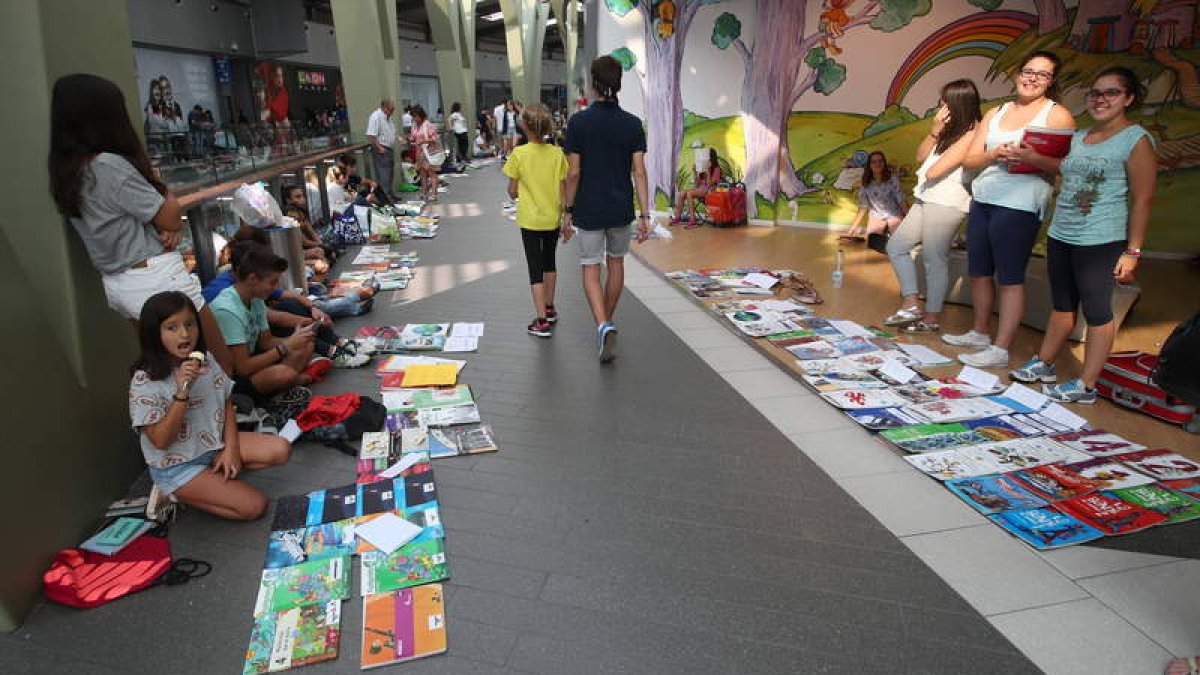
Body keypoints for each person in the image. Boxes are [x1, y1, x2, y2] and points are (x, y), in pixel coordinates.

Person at [49, 73, 233, 375]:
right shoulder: (107, 165)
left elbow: (126, 223)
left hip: (122, 285)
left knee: (174, 372)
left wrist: (161, 230)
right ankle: (230, 420)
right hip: (156, 278)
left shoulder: (68, 171)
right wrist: (157, 182)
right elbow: (171, 215)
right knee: (217, 367)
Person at [1008, 67, 1156, 403]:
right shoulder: (1080, 137)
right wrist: (1032, 157)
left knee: (1098, 311)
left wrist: (1132, 252)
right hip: (1063, 233)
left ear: (1128, 98)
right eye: (1095, 92)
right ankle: (1045, 363)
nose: (1100, 99)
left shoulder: (1136, 139)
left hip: (1101, 239)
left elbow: (1144, 199)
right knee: (1061, 304)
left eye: (1111, 93)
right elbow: (1065, 168)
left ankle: (1087, 385)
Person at [944, 51, 1077, 367]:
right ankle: (979, 332)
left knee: (1010, 277)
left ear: (1051, 82)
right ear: (1018, 73)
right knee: (978, 272)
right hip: (984, 199)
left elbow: (1068, 166)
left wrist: (1032, 159)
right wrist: (995, 154)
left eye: (1042, 74)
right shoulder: (995, 112)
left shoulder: (1057, 116)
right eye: (1028, 70)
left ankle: (1001, 349)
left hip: (1020, 204)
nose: (1032, 78)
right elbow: (971, 160)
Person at [130, 291, 290, 521]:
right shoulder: (145, 381)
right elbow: (161, 441)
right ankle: (176, 493)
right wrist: (183, 390)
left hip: (212, 444)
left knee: (280, 450)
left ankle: (211, 481)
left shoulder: (205, 359)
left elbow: (226, 401)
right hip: (179, 464)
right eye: (171, 328)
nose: (185, 334)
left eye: (189, 324)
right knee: (254, 507)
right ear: (155, 334)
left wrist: (231, 449)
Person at [563, 55, 651, 363]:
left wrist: (567, 209)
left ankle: (602, 324)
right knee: (616, 265)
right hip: (620, 208)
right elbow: (639, 171)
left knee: (590, 268)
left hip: (589, 208)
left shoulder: (578, 123)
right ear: (619, 83)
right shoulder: (632, 124)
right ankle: (606, 323)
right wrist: (645, 214)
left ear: (593, 82)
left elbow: (573, 172)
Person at [884, 79, 982, 334]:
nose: (941, 105)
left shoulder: (974, 132)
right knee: (896, 246)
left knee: (933, 258)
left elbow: (934, 171)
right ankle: (912, 302)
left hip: (948, 202)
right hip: (927, 197)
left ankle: (932, 317)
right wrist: (935, 129)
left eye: (945, 101)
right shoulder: (949, 130)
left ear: (958, 104)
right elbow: (919, 157)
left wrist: (942, 136)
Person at [210, 246, 323, 398]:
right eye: (273, 282)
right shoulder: (227, 311)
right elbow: (242, 368)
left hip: (252, 363)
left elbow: (265, 341)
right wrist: (286, 346)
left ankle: (284, 386)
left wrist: (295, 340)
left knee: (306, 345)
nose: (276, 287)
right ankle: (287, 383)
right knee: (284, 374)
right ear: (252, 279)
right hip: (230, 380)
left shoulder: (255, 298)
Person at [503, 104, 569, 338]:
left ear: (525, 126)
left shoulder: (518, 154)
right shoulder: (557, 154)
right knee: (549, 263)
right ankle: (550, 307)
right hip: (552, 217)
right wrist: (565, 217)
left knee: (535, 269)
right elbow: (563, 191)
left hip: (530, 219)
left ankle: (541, 321)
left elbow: (512, 191)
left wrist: (523, 190)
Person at [841, 151, 905, 243]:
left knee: (899, 242)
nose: (877, 164)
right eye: (874, 162)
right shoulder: (865, 182)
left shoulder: (893, 178)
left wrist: (909, 219)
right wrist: (851, 230)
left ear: (884, 163)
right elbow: (863, 207)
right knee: (871, 243)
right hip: (876, 215)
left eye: (880, 161)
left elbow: (901, 200)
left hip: (894, 214)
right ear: (869, 165)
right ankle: (884, 232)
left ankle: (889, 232)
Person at [672, 148, 722, 227]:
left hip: (710, 191)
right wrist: (695, 172)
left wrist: (708, 171)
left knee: (689, 193)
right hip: (700, 189)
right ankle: (677, 217)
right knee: (682, 193)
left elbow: (709, 184)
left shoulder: (716, 169)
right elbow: (697, 185)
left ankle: (692, 219)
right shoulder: (701, 169)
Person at [366, 99, 398, 200]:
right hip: (381, 149)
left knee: (389, 174)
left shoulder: (388, 118)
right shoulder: (376, 116)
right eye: (391, 110)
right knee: (383, 175)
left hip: (388, 148)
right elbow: (371, 134)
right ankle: (385, 198)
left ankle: (389, 195)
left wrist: (398, 138)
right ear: (384, 108)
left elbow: (392, 131)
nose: (392, 112)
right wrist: (379, 147)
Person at [410, 106, 443, 202]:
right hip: (419, 152)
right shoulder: (415, 126)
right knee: (422, 173)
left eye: (416, 116)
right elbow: (413, 138)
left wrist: (424, 141)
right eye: (413, 117)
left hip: (428, 152)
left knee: (431, 172)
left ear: (421, 115)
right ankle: (424, 192)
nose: (415, 119)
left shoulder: (428, 125)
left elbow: (435, 138)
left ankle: (434, 193)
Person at [449, 102, 470, 166]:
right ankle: (462, 157)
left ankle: (462, 157)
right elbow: (450, 119)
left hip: (463, 130)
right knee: (463, 144)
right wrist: (451, 128)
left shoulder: (459, 114)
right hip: (459, 131)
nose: (461, 108)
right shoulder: (455, 114)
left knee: (464, 144)